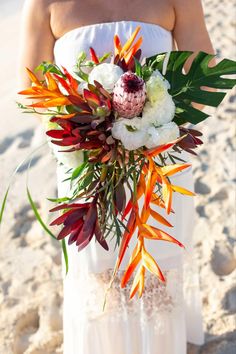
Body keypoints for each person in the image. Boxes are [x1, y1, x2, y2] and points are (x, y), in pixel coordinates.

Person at [18, 1, 215, 353]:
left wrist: (149, 126)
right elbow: (33, 91)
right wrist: (90, 132)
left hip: (158, 161)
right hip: (86, 163)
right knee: (98, 272)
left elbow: (205, 79)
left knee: (155, 273)